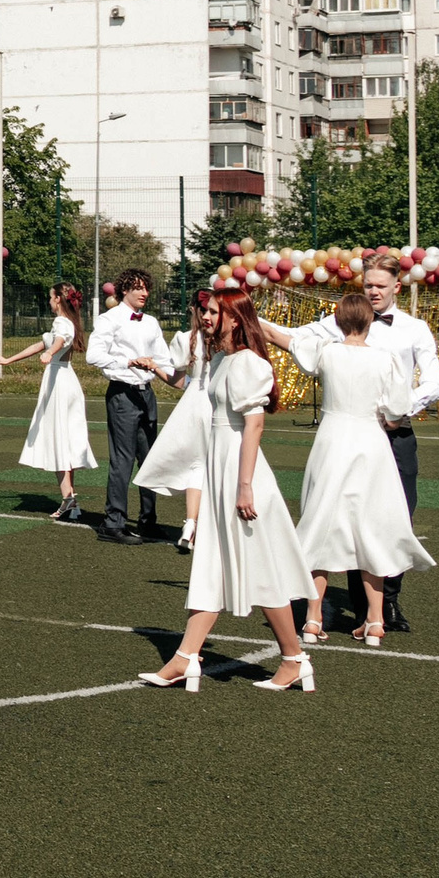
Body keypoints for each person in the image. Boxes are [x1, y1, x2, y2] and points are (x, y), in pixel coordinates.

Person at [135, 290, 316, 696]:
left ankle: (294, 659)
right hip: (221, 469)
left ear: (235, 318)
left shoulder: (249, 362)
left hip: (240, 474)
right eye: (205, 310)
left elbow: (254, 425)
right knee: (211, 564)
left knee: (262, 568)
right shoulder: (219, 359)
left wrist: (244, 486)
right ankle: (186, 657)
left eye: (215, 311)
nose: (206, 316)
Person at [272, 250, 439, 635]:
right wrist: (249, 319)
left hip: (392, 434)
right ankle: (367, 610)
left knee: (392, 517)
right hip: (351, 434)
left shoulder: (414, 329)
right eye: (368, 285)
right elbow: (296, 338)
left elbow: (435, 382)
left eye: (381, 285)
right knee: (337, 515)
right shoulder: (339, 326)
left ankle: (386, 602)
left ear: (397, 287)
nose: (374, 291)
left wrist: (398, 411)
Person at [86, 270, 170, 545]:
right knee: (122, 460)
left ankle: (148, 521)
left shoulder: (152, 322)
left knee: (150, 459)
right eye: (138, 288)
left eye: (146, 288)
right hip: (122, 394)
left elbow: (164, 360)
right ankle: (113, 523)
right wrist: (129, 362)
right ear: (124, 290)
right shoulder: (109, 319)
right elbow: (93, 355)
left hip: (147, 394)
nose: (144, 293)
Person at [136, 289, 222, 554]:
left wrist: (154, 368)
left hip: (193, 404)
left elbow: (178, 381)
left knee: (197, 465)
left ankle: (191, 523)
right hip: (217, 402)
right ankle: (208, 526)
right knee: (214, 464)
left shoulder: (186, 339)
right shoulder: (224, 338)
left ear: (193, 310)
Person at [5, 284, 94, 523]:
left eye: (50, 297)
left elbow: (59, 341)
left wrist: (50, 353)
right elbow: (42, 344)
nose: (49, 301)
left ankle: (68, 499)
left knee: (57, 440)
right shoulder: (68, 321)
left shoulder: (61, 322)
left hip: (59, 384)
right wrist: (9, 360)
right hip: (65, 381)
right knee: (65, 440)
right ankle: (70, 499)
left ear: (57, 300)